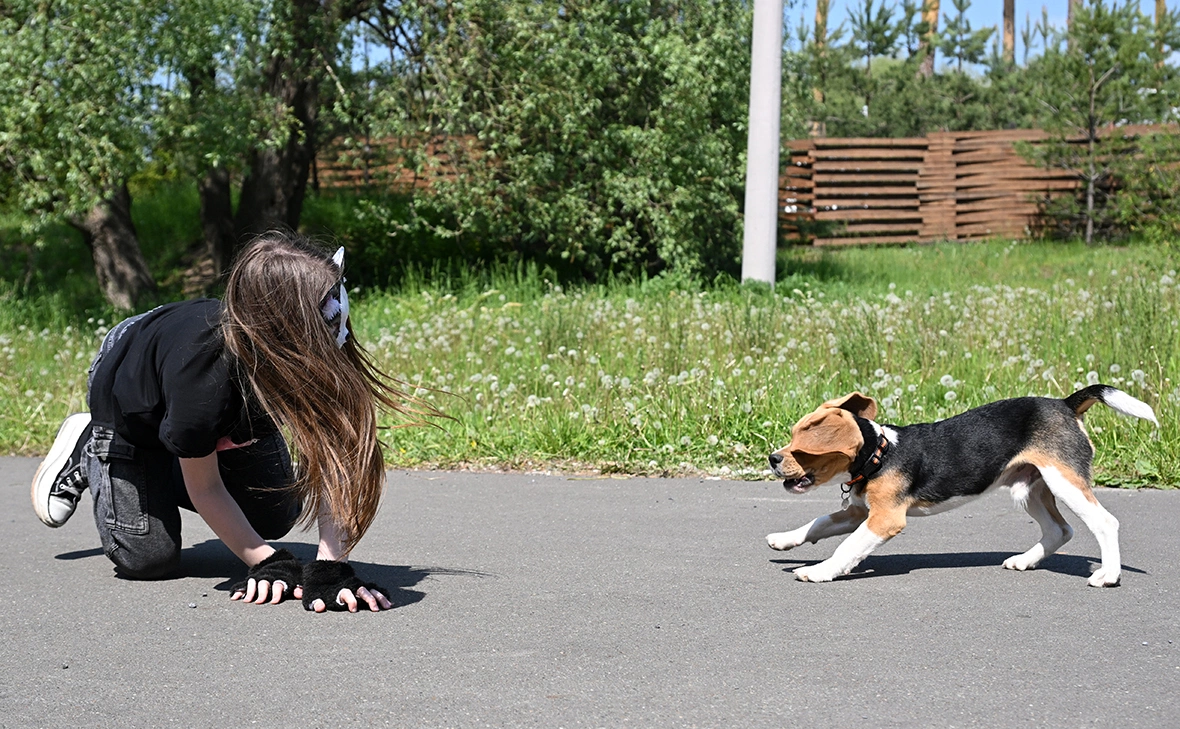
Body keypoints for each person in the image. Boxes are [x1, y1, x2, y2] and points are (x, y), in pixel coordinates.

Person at [31, 232, 428, 612]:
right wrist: (265, 561)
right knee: (147, 557)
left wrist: (329, 567)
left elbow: (337, 459)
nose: (339, 319)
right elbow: (205, 488)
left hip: (219, 404)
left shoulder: (318, 342)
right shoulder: (202, 385)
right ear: (285, 327)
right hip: (133, 400)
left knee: (276, 514)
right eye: (327, 311)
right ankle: (89, 444)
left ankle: (188, 449)